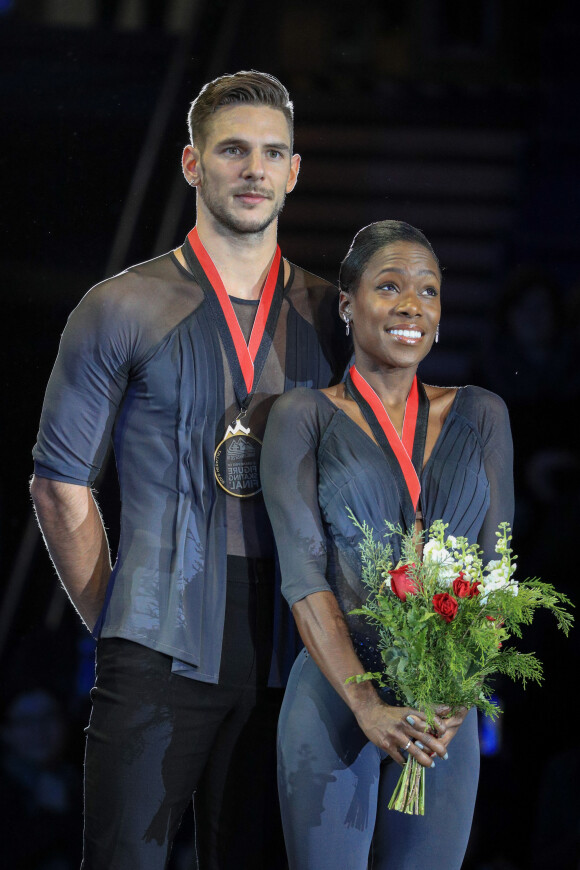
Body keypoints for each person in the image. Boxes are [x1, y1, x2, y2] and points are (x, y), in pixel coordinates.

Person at [30, 70, 351, 870]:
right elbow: (59, 480)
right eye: (233, 150)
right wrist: (117, 617)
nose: (253, 170)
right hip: (154, 637)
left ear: (295, 171)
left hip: (291, 644)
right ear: (191, 165)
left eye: (271, 153)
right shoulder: (120, 307)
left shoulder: (330, 318)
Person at [261, 220, 514, 870]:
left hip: (441, 707)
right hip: (335, 696)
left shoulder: (482, 415)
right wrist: (367, 706)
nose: (412, 305)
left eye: (428, 291)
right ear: (347, 305)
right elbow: (302, 576)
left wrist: (457, 693)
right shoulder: (301, 416)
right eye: (390, 286)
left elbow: (497, 573)